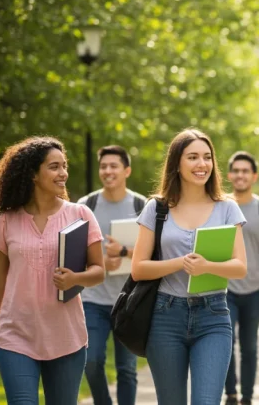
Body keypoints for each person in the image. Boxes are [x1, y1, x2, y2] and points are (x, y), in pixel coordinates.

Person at [0, 136, 105, 405]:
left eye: (64, 166)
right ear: (33, 174)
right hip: (16, 336)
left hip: (66, 337)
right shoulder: (6, 219)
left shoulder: (80, 215)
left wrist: (75, 279)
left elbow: (98, 271)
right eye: (54, 167)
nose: (63, 173)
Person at [130, 129, 247, 405]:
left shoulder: (226, 207)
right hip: (164, 317)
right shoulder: (157, 208)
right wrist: (179, 263)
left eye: (207, 157)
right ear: (177, 164)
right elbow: (138, 268)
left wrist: (207, 266)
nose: (202, 164)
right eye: (193, 157)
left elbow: (240, 266)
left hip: (213, 315)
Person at [78, 145, 146, 405]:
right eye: (103, 166)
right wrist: (101, 262)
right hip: (93, 299)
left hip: (128, 301)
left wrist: (126, 252)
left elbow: (154, 251)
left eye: (113, 166)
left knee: (127, 369)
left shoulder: (142, 206)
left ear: (126, 170)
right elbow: (74, 254)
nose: (108, 171)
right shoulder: (86, 206)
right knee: (91, 361)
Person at [224, 151, 259, 405]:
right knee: (225, 342)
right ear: (229, 175)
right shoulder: (221, 206)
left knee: (250, 347)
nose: (240, 175)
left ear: (254, 176)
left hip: (255, 287)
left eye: (245, 171)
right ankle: (231, 394)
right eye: (236, 171)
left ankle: (247, 397)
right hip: (225, 287)